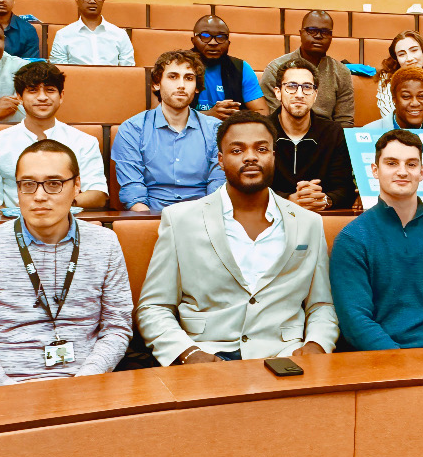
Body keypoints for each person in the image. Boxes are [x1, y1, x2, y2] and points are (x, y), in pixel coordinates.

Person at [136, 113, 337, 365]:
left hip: (285, 356)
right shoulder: (180, 220)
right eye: (237, 150)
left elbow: (321, 305)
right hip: (207, 354)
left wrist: (316, 345)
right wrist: (188, 354)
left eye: (261, 149)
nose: (251, 156)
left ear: (273, 156)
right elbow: (154, 306)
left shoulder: (308, 222)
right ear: (220, 160)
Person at [0, 139, 132, 387]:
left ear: (76, 187)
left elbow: (117, 328)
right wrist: (7, 390)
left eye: (54, 184)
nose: (39, 196)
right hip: (4, 390)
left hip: (86, 386)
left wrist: (85, 382)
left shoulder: (105, 243)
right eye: (28, 184)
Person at [330, 129, 423, 351]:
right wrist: (400, 362)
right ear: (375, 170)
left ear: (421, 172)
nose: (402, 172)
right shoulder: (352, 239)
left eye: (411, 164)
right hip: (376, 361)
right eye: (392, 163)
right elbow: (355, 320)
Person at [0, 61, 108, 217]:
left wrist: (59, 205)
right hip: (14, 224)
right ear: (19, 97)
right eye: (33, 90)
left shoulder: (85, 142)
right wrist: (24, 215)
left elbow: (98, 194)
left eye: (50, 90)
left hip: (69, 221)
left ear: (61, 96)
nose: (42, 97)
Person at [112, 50, 221, 214]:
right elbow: (133, 191)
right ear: (156, 84)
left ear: (197, 88)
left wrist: (204, 220)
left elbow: (217, 187)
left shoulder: (216, 129)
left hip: (205, 216)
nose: (181, 85)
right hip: (151, 216)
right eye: (173, 77)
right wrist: (150, 224)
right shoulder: (132, 129)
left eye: (189, 78)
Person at [268, 55, 356, 212]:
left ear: (315, 95)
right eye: (291, 86)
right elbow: (252, 187)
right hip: (272, 216)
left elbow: (345, 189)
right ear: (278, 92)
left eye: (307, 87)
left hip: (320, 217)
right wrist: (288, 200)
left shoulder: (333, 133)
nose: (299, 94)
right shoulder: (261, 131)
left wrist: (325, 200)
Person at [260, 12, 355, 124]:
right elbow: (272, 117)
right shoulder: (275, 69)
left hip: (327, 132)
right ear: (301, 33)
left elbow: (344, 121)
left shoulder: (341, 72)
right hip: (285, 130)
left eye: (325, 32)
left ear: (331, 37)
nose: (318, 36)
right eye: (312, 30)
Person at [191, 15, 265, 117]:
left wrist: (236, 117)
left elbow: (262, 112)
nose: (213, 42)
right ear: (193, 40)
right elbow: (170, 113)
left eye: (221, 37)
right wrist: (208, 116)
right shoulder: (178, 67)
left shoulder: (241, 68)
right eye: (205, 36)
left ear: (228, 43)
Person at [49, 0, 134, 66]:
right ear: (77, 1)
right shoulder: (63, 35)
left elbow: (128, 69)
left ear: (103, 1)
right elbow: (60, 70)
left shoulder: (120, 34)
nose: (92, 1)